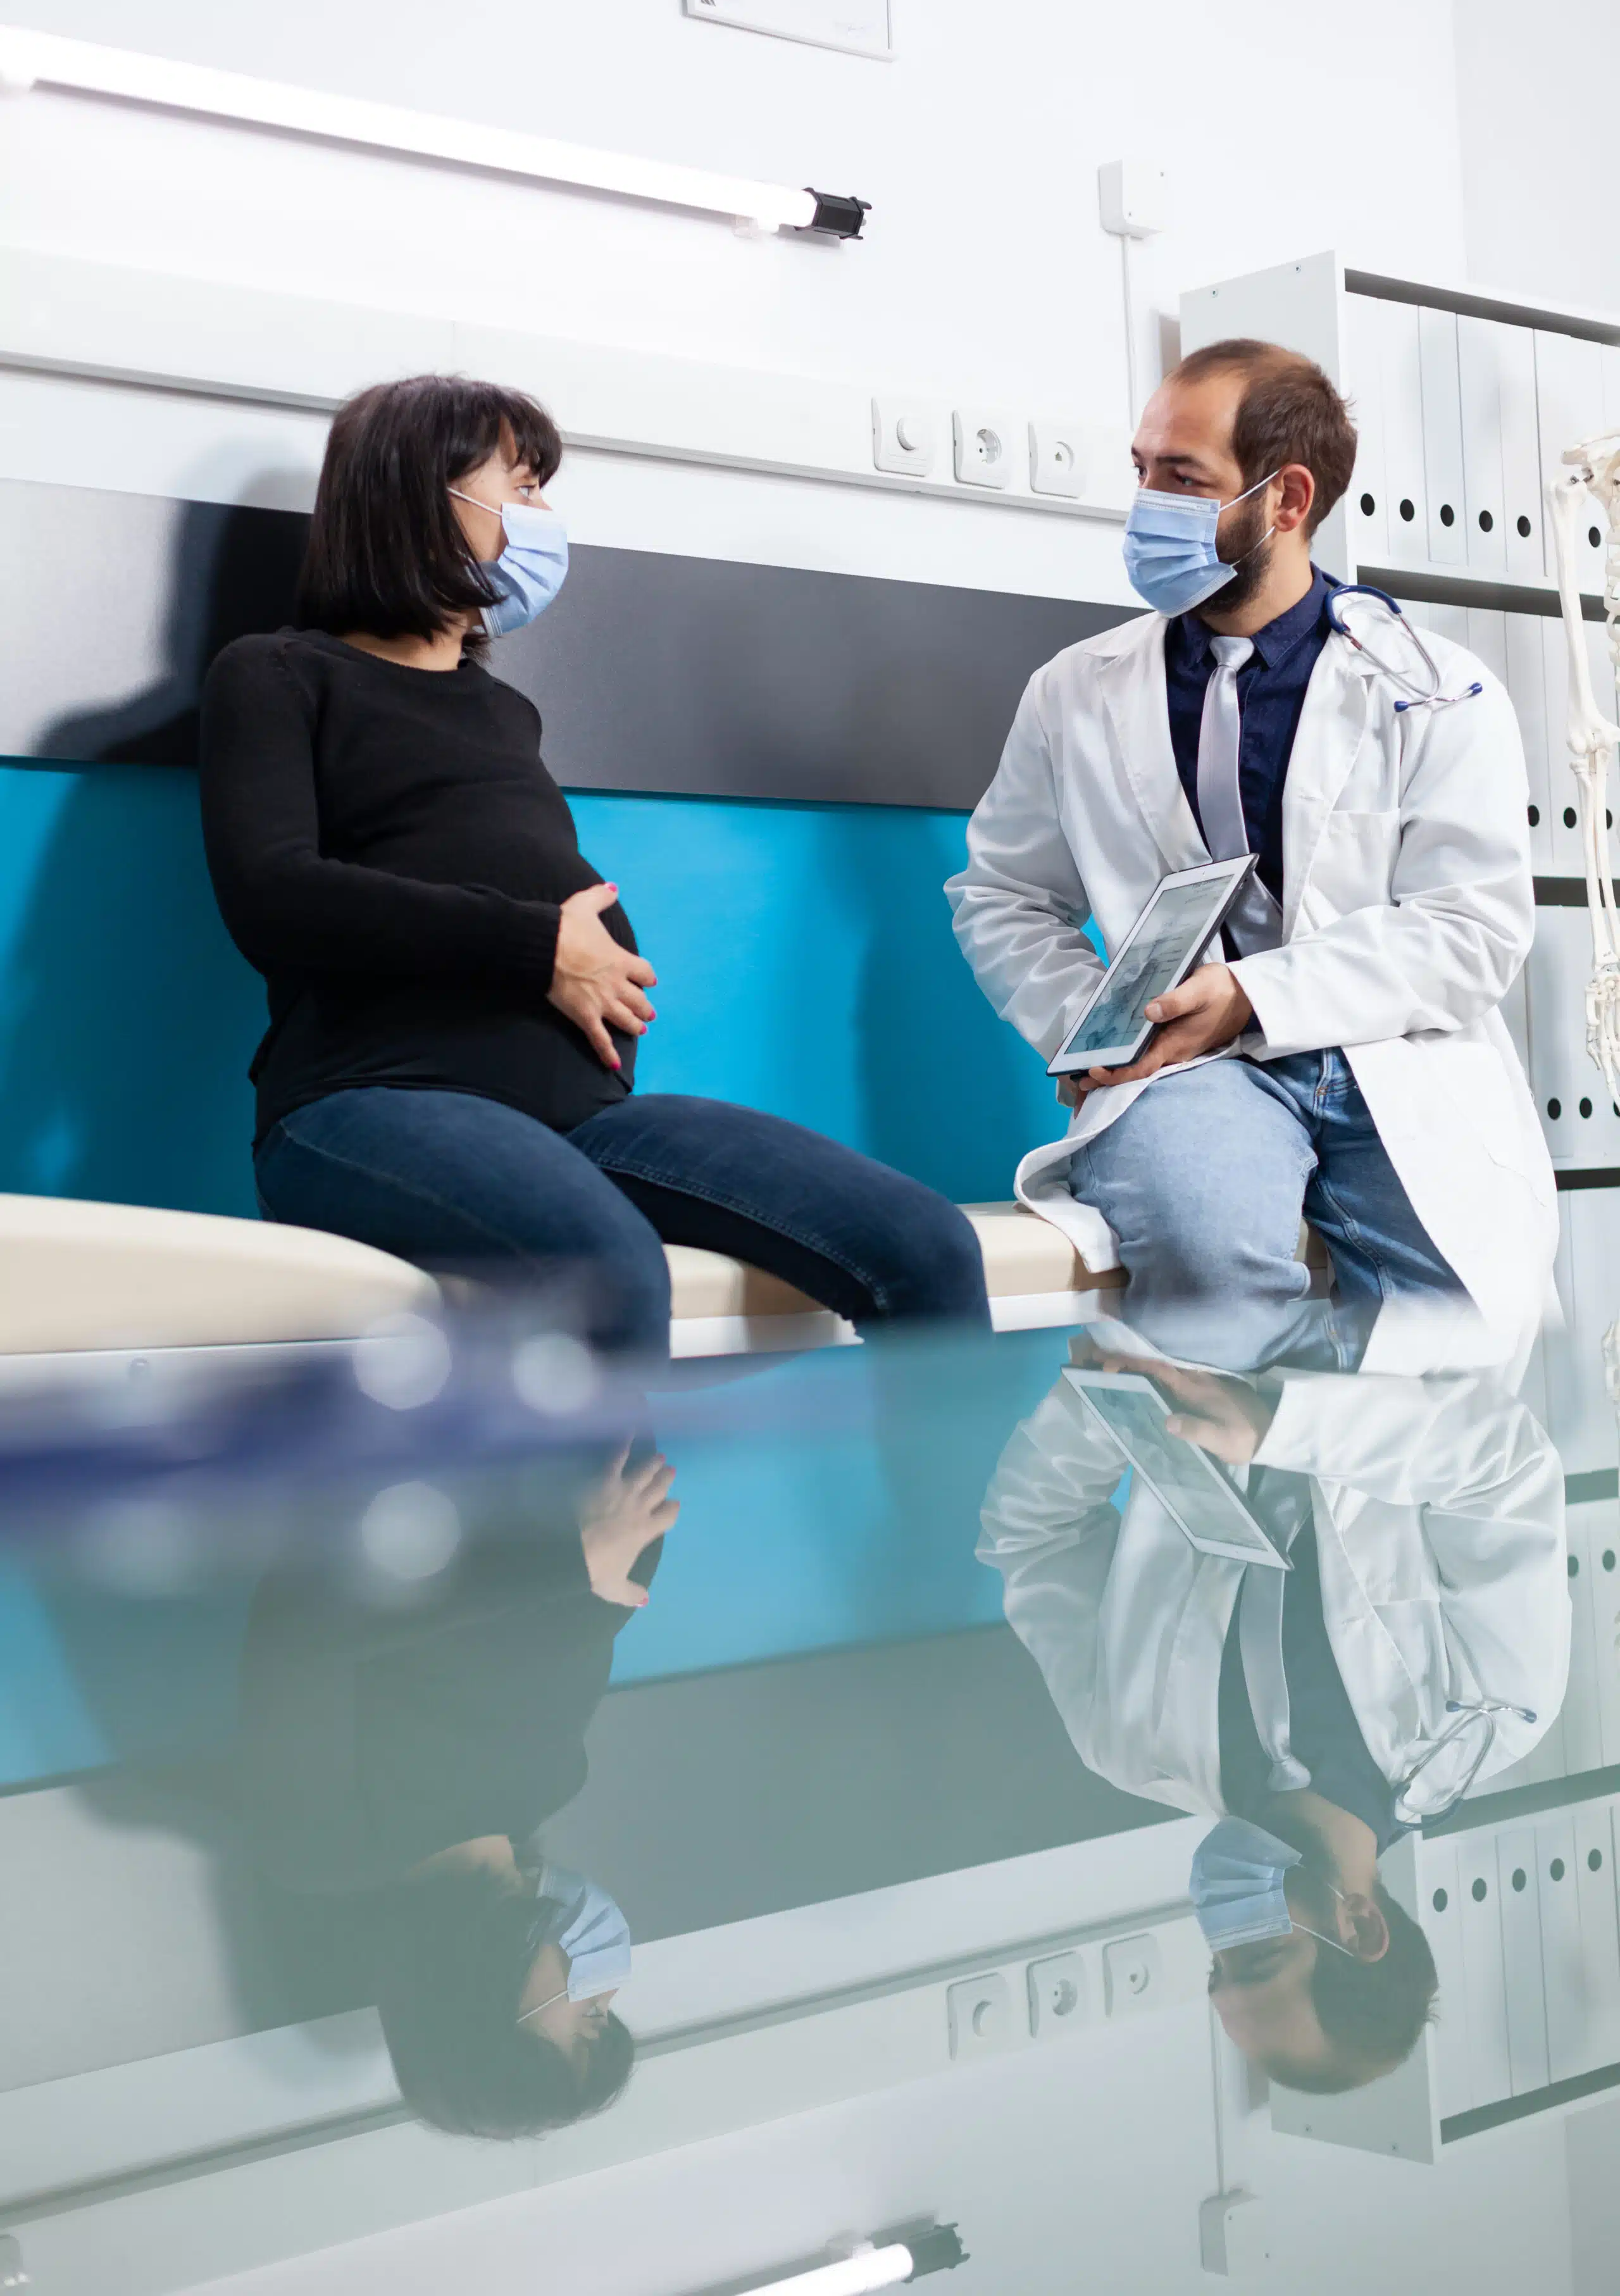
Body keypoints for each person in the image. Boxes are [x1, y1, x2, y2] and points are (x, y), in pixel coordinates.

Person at [199, 374, 989, 1354]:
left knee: (931, 1245)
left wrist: (579, 965)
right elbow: (274, 898)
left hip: (579, 1114)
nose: (543, 517)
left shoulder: (499, 709)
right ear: (421, 493)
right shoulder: (278, 675)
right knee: (609, 1270)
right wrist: (539, 946)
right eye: (521, 487)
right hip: (372, 1100)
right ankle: (595, 1513)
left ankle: (956, 1513)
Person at [946, 340, 1555, 1347]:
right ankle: (1257, 1489)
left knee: (1460, 1314)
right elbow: (1001, 893)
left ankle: (1358, 1478)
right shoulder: (1075, 689)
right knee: (1213, 1266)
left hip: (1387, 1054)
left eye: (1183, 479)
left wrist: (1251, 995)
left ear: (1287, 500)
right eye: (1141, 470)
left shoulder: (1436, 687)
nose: (1147, 506)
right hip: (1182, 1071)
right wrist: (1095, 1026)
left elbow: (1473, 930)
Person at [977, 1325, 1569, 2091]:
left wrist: (1106, 1410)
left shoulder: (1127, 1745)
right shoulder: (1497, 1708)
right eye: (1255, 1956)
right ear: (1359, 1925)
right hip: (1382, 1297)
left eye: (1214, 1967)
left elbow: (1035, 1541)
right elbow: (1499, 1464)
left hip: (1174, 1327)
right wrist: (1281, 1427)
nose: (1217, 1930)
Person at [234, 1440, 675, 2138]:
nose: (610, 1986)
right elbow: (581, 1604)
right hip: (561, 1413)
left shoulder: (323, 1848)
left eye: (590, 2019)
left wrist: (569, 1563)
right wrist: (595, 1559)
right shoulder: (549, 1783)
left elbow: (303, 1628)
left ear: (485, 2013)